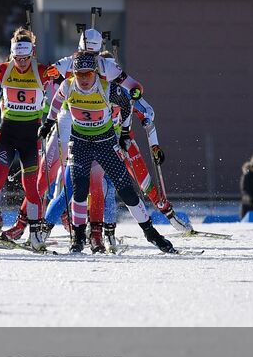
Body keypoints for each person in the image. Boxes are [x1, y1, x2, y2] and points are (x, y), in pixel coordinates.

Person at [42, 53, 178, 254]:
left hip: (105, 143)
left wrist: (124, 132)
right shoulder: (68, 85)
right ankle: (78, 238)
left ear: (96, 73)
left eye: (88, 74)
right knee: (78, 189)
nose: (84, 79)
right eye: (80, 74)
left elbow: (126, 105)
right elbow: (56, 101)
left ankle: (151, 234)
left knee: (126, 190)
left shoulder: (108, 88)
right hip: (80, 143)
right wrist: (48, 122)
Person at [0, 28, 61, 247]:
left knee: (31, 186)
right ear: (12, 55)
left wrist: (57, 78)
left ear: (32, 54)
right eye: (17, 58)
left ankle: (35, 233)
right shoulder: (3, 69)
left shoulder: (41, 71)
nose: (21, 63)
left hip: (32, 134)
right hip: (8, 131)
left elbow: (63, 93)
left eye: (25, 58)